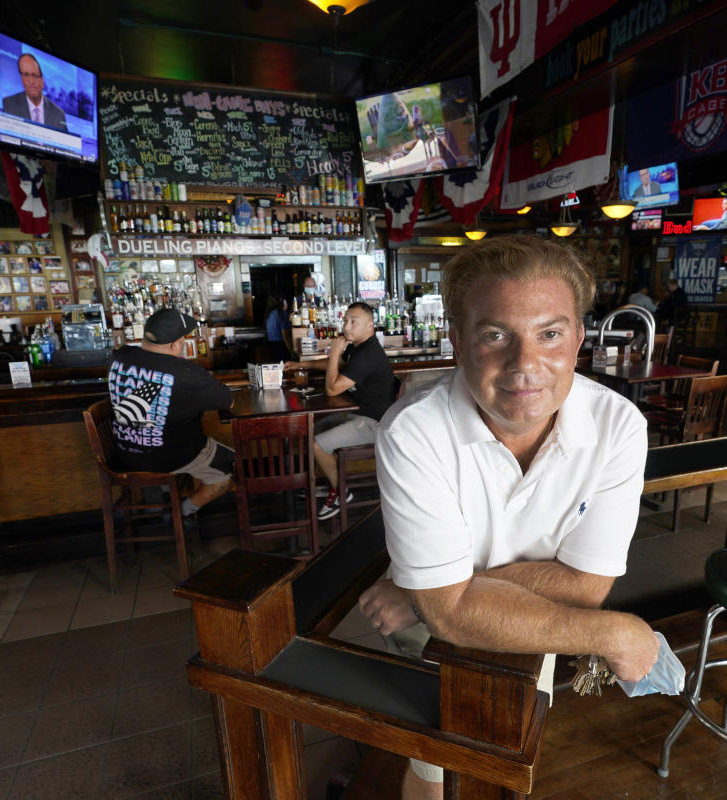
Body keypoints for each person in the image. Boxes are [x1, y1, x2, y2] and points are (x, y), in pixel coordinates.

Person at [357, 236, 660, 800]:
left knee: (515, 746)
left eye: (549, 334)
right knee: (434, 761)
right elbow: (449, 617)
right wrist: (614, 633)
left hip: (538, 616)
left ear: (577, 340)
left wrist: (430, 592)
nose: (526, 365)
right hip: (444, 627)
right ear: (458, 342)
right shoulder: (414, 431)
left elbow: (587, 586)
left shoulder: (618, 427)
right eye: (496, 335)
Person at [108, 309, 235, 516]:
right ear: (175, 345)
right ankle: (181, 512)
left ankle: (159, 499)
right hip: (169, 456)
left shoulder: (120, 356)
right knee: (233, 467)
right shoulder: (185, 373)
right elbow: (227, 400)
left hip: (126, 453)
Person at [289, 301, 397, 521]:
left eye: (353, 322)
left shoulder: (368, 354)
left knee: (316, 444)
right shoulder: (360, 347)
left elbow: (332, 389)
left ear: (369, 326)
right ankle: (328, 483)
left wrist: (336, 350)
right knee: (307, 433)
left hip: (374, 423)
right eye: (345, 320)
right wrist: (303, 365)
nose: (346, 327)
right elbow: (337, 365)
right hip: (356, 413)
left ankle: (341, 492)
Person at [1, 54, 67, 131]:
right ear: (22, 79)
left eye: (35, 75)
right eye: (26, 75)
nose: (31, 81)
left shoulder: (58, 114)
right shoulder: (9, 104)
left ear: (42, 81)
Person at [264, 294, 292, 362]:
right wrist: (291, 350)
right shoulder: (282, 314)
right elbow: (285, 335)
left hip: (271, 345)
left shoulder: (269, 314)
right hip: (281, 345)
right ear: (282, 302)